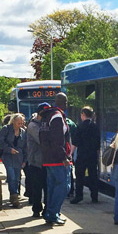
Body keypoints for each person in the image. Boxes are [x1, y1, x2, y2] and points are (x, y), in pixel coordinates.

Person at [39, 93, 71, 225]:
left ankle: (50, 212)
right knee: (64, 186)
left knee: (52, 186)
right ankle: (53, 213)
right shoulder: (57, 117)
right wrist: (64, 157)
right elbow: (57, 140)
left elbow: (42, 138)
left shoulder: (46, 117)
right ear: (64, 103)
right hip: (58, 159)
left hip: (47, 158)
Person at [71, 106, 100, 204]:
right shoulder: (95, 127)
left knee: (79, 176)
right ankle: (94, 196)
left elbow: (75, 143)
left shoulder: (80, 127)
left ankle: (79, 196)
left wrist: (70, 154)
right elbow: (98, 143)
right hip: (92, 155)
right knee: (93, 175)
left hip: (82, 154)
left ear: (83, 114)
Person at [0, 113, 27, 207]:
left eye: (22, 123)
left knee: (17, 177)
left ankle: (15, 194)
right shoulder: (6, 129)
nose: (20, 125)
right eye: (19, 123)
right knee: (11, 176)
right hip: (8, 157)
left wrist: (25, 160)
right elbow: (0, 142)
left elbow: (25, 147)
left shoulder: (23, 132)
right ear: (13, 121)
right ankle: (14, 196)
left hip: (19, 157)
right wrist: (9, 149)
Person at [26, 103, 49, 218]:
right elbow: (41, 139)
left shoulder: (45, 123)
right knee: (37, 188)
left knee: (47, 187)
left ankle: (47, 209)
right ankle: (36, 209)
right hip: (35, 162)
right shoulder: (33, 125)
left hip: (46, 161)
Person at [66, 117, 77, 198]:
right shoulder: (71, 123)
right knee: (69, 172)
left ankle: (68, 191)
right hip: (68, 152)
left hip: (65, 153)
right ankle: (70, 191)